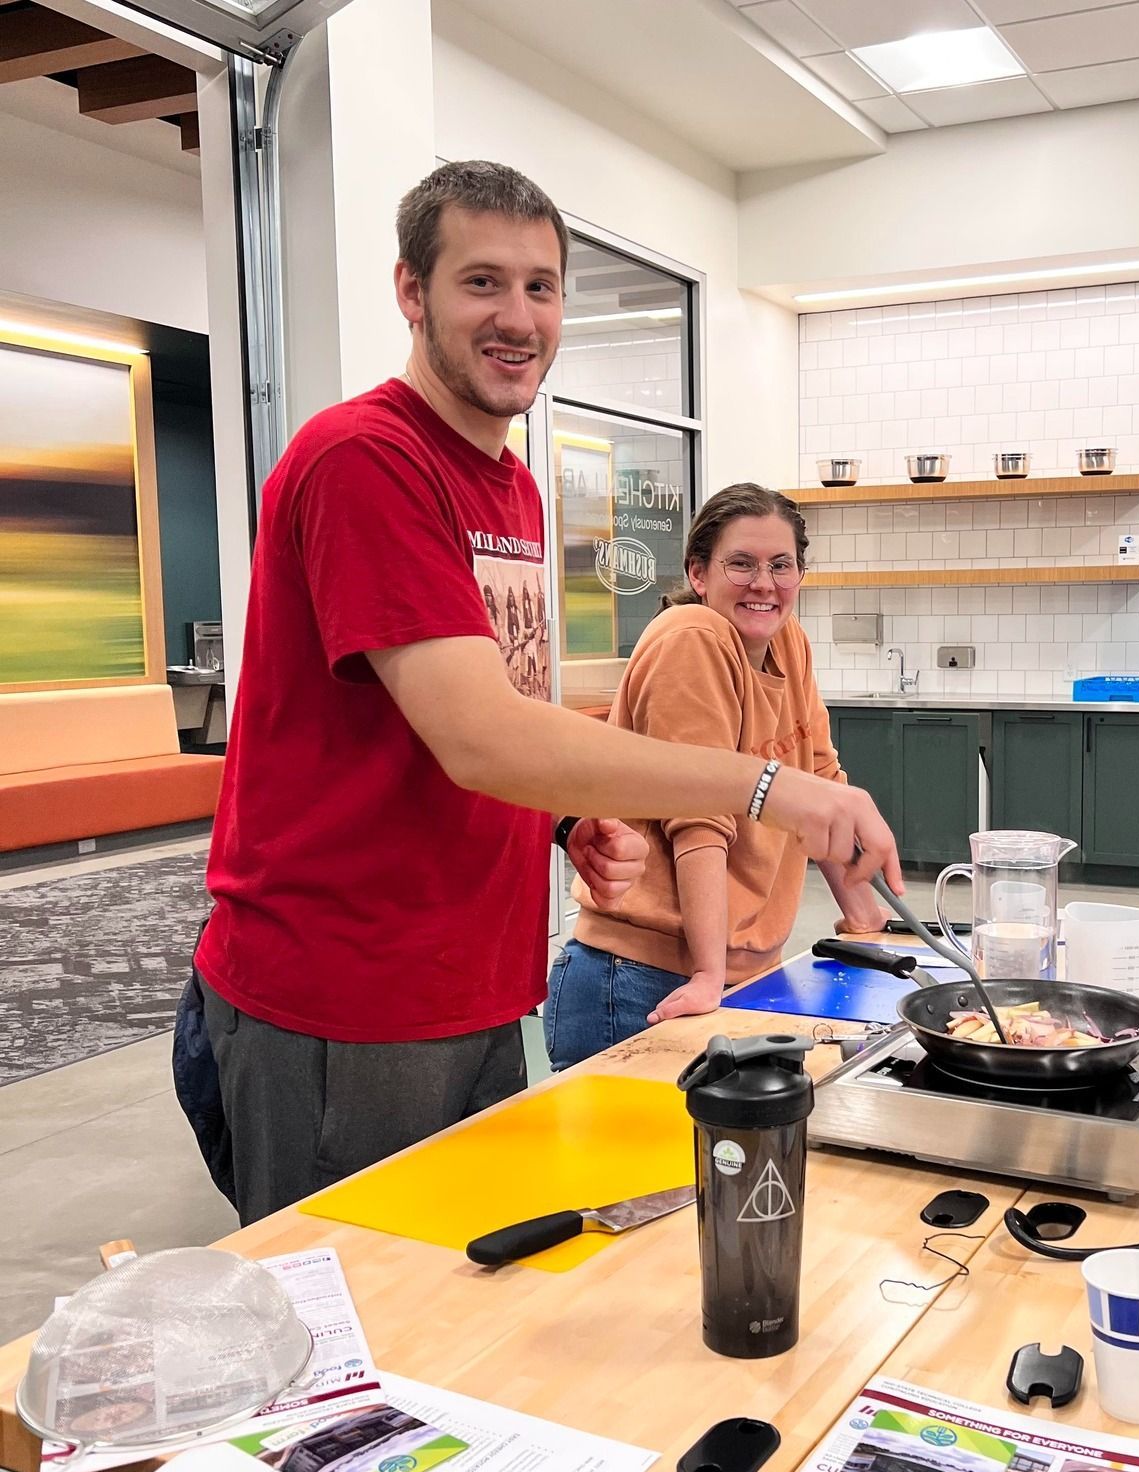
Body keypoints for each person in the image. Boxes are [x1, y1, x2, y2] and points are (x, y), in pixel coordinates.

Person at [193, 161, 900, 1225]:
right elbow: (480, 740)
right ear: (410, 291)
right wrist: (772, 788)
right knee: (349, 1335)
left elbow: (498, 703)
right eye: (482, 282)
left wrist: (565, 815)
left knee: (453, 1311)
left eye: (542, 286)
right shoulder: (364, 460)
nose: (518, 317)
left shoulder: (512, 485)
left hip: (481, 982)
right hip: (346, 992)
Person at [543, 484, 886, 1070]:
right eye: (742, 564)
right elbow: (698, 817)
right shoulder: (693, 638)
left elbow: (822, 782)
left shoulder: (789, 642)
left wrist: (865, 916)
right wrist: (708, 973)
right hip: (642, 981)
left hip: (730, 973)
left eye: (782, 565)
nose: (764, 583)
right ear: (699, 573)